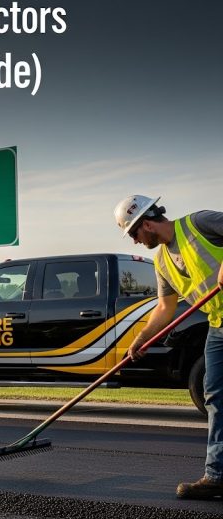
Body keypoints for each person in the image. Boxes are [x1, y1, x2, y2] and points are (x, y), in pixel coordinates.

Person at [116, 195, 223, 500]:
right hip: (218, 326)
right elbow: (164, 307)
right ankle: (217, 475)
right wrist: (141, 339)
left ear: (146, 224)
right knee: (215, 396)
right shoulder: (162, 261)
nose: (136, 242)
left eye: (134, 234)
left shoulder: (199, 223)